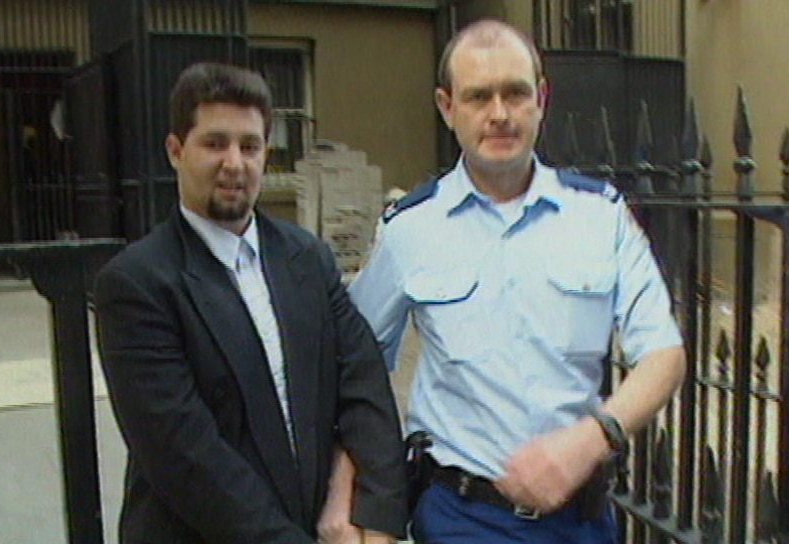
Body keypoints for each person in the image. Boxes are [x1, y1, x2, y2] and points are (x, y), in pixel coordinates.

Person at [344, 19, 686, 544]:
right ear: (446, 106)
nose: (499, 114)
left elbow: (663, 354)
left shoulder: (601, 217)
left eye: (515, 93)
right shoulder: (409, 230)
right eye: (478, 97)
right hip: (463, 517)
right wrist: (361, 495)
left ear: (542, 98)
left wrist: (594, 437)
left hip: (585, 521)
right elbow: (356, 368)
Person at [93, 62, 406, 544]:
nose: (235, 163)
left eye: (250, 145)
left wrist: (378, 517)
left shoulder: (307, 258)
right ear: (176, 151)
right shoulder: (137, 285)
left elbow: (364, 385)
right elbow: (186, 457)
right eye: (215, 143)